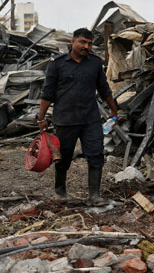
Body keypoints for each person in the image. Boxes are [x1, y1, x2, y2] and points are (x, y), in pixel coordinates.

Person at [37, 28, 118, 205]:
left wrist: (113, 110)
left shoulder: (95, 63)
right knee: (63, 157)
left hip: (90, 118)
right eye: (82, 42)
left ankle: (94, 196)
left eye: (89, 43)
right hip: (65, 119)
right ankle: (60, 192)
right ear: (72, 42)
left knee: (96, 155)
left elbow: (104, 89)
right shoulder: (57, 64)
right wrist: (41, 118)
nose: (86, 46)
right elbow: (48, 92)